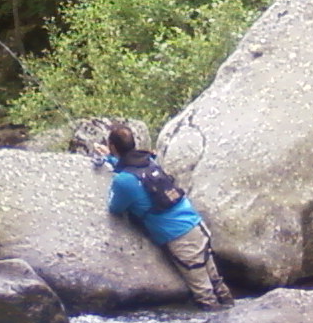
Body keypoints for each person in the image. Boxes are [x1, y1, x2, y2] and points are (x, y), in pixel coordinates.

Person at [99, 124, 234, 310]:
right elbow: (132, 170)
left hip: (180, 238)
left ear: (113, 147)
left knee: (205, 296)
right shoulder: (149, 161)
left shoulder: (123, 180)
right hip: (196, 225)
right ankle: (236, 314)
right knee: (216, 282)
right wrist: (111, 159)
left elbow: (115, 207)